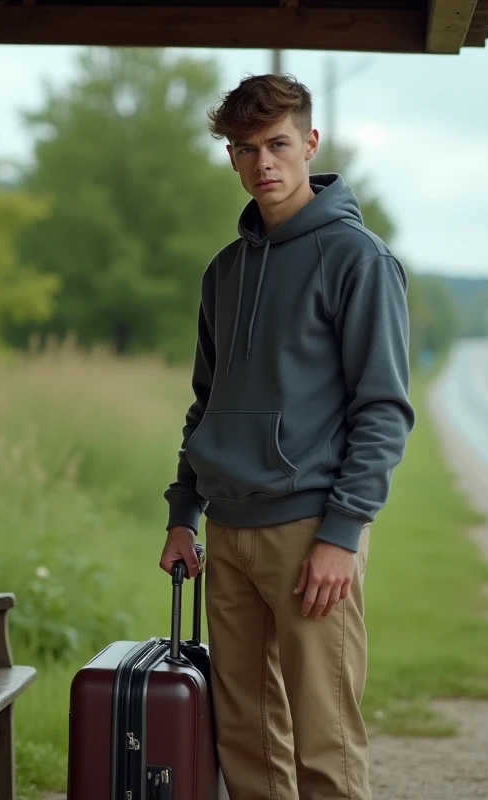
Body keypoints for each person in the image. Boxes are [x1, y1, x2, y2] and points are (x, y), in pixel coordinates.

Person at [158, 73, 415, 800]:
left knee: (324, 744)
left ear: (309, 143)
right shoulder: (224, 272)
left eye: (276, 144)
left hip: (309, 534)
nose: (262, 163)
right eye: (245, 149)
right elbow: (206, 405)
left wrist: (343, 533)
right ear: (232, 158)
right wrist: (184, 515)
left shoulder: (359, 260)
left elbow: (383, 410)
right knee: (245, 740)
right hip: (229, 536)